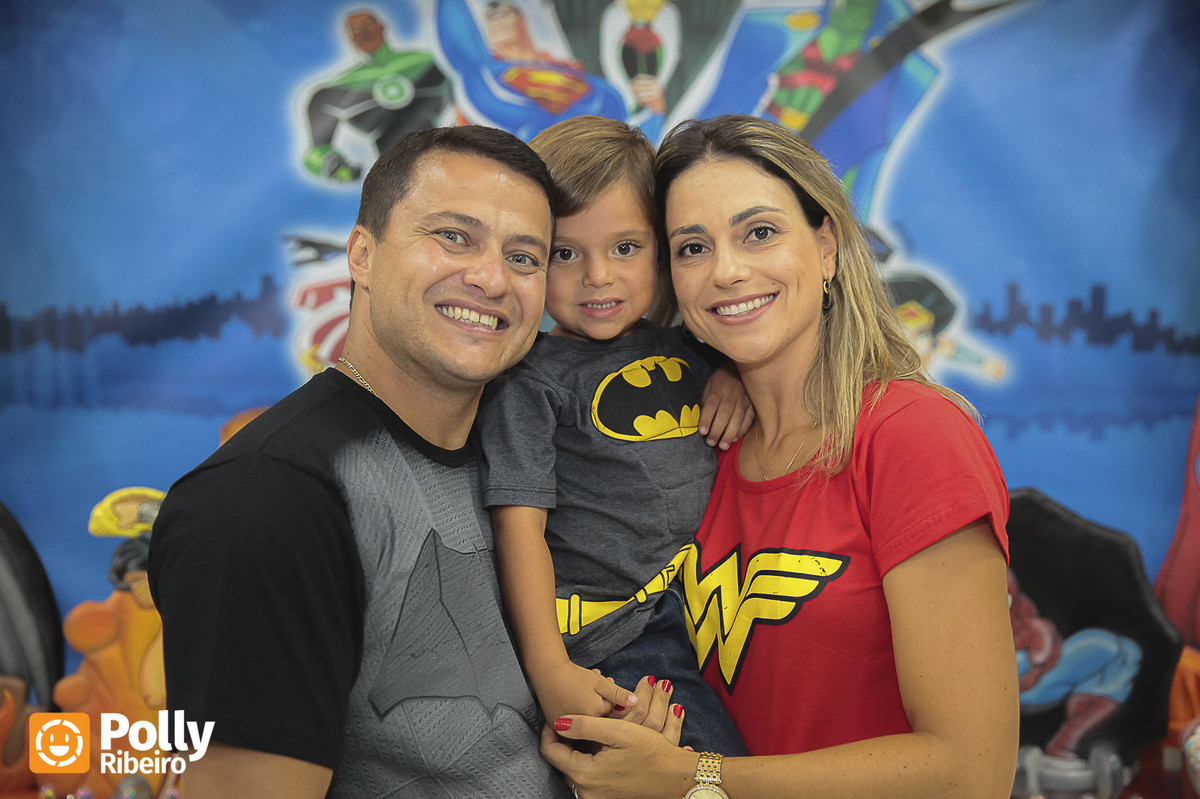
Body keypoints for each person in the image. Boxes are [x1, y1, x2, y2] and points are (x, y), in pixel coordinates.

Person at [541, 114, 1019, 798]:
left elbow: (971, 773)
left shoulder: (913, 434)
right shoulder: (697, 445)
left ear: (826, 246)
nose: (728, 271)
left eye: (759, 232)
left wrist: (695, 777)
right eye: (693, 247)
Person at [149, 125, 571, 798]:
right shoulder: (265, 499)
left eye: (524, 257)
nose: (492, 277)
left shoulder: (529, 461)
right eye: (453, 236)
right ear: (361, 255)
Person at [477, 115, 750, 755]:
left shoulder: (695, 347)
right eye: (564, 254)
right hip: (618, 633)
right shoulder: (530, 382)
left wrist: (734, 373)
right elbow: (519, 530)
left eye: (625, 247)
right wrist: (551, 670)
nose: (597, 275)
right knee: (707, 769)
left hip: (711, 614)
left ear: (663, 248)